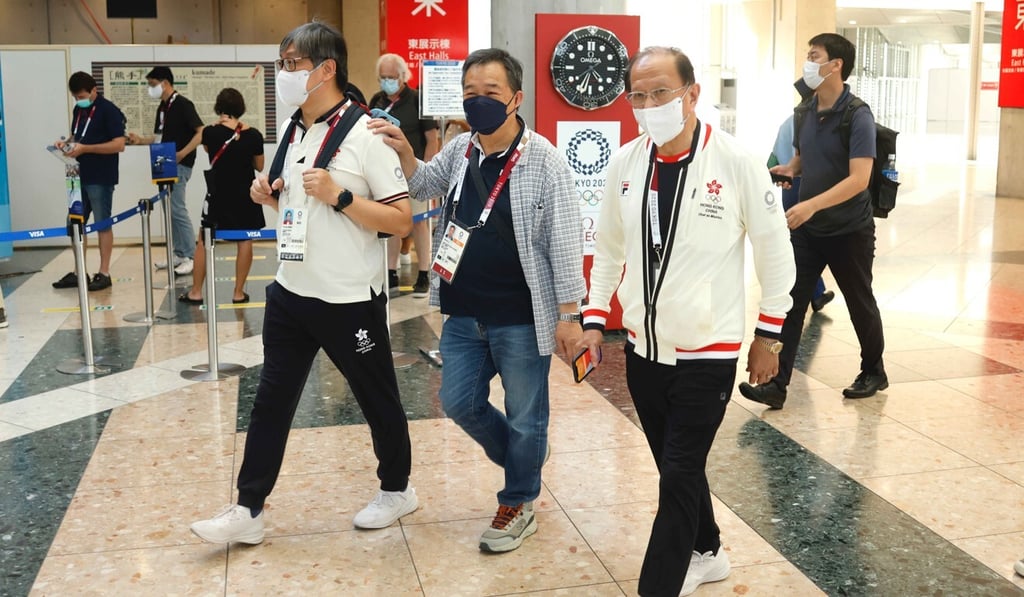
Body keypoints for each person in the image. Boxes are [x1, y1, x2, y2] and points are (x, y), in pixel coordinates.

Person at [577, 46, 795, 596]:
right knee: (678, 466)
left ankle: (658, 585)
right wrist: (594, 320)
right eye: (638, 96)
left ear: (692, 94)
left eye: (661, 93)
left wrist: (769, 334)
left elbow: (775, 252)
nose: (649, 105)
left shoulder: (736, 162)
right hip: (644, 350)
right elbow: (609, 249)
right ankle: (708, 550)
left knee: (676, 476)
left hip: (707, 350)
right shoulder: (627, 163)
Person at [190, 21, 417, 544]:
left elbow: (401, 220)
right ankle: (249, 508)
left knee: (376, 397)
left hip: (348, 298)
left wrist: (341, 196)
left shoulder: (367, 134)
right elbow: (300, 208)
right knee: (271, 400)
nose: (284, 72)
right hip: (291, 291)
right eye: (283, 63)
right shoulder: (294, 130)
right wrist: (271, 198)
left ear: (326, 68)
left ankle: (397, 488)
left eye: (292, 63)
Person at [371, 48, 586, 553]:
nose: (479, 101)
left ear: (516, 98)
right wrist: (405, 152)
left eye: (491, 92)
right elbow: (424, 183)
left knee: (526, 413)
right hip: (464, 310)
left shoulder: (545, 160)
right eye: (470, 93)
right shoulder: (461, 149)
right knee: (458, 402)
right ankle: (524, 458)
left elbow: (564, 241)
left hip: (520, 316)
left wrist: (570, 314)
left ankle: (518, 500)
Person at [741, 32, 888, 409]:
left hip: (849, 229)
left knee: (859, 301)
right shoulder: (804, 111)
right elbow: (804, 157)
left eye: (814, 55)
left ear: (835, 65)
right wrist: (790, 169)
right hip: (809, 230)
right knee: (791, 303)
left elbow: (859, 179)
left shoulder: (857, 115)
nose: (807, 62)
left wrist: (811, 206)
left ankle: (874, 370)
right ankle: (776, 384)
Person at [179, 88, 265, 305]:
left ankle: (196, 292)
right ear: (241, 108)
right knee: (244, 240)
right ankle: (238, 292)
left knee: (204, 240)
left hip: (217, 194)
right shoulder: (254, 135)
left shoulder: (210, 132)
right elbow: (259, 165)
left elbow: (209, 151)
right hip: (245, 195)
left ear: (219, 107)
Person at [369, 53, 440, 298]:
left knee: (419, 223)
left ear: (402, 76)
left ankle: (423, 273)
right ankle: (390, 272)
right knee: (390, 222)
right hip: (385, 174)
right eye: (383, 77)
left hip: (414, 171)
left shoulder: (418, 100)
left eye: (391, 77)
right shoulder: (376, 100)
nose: (387, 81)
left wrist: (427, 172)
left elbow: (432, 139)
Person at [52, 72, 126, 291]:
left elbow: (119, 144)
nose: (79, 100)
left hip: (100, 176)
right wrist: (66, 144)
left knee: (102, 222)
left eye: (82, 96)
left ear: (94, 90)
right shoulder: (79, 110)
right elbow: (78, 136)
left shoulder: (109, 111)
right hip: (77, 174)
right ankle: (79, 271)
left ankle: (104, 272)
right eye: (75, 97)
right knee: (74, 222)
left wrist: (86, 149)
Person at [127, 66, 203, 276]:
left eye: (153, 84)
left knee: (177, 209)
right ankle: (179, 252)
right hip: (162, 161)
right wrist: (141, 140)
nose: (150, 89)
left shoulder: (183, 104)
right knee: (168, 209)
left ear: (165, 83)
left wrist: (183, 152)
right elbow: (159, 137)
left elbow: (201, 132)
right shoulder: (162, 107)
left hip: (179, 162)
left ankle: (190, 255)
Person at [769, 80, 834, 313]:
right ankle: (810, 294)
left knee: (798, 244)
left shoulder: (789, 122)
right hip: (809, 188)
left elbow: (774, 157)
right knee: (808, 246)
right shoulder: (817, 120)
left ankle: (815, 293)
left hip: (788, 187)